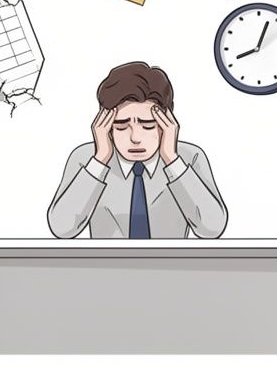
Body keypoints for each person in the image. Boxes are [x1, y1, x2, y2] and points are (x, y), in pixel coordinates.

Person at [47, 62, 228, 238]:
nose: (135, 138)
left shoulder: (189, 157)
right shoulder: (87, 158)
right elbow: (61, 229)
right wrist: (100, 160)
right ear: (106, 125)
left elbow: (212, 229)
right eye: (121, 126)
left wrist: (172, 160)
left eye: (148, 126)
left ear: (167, 122)